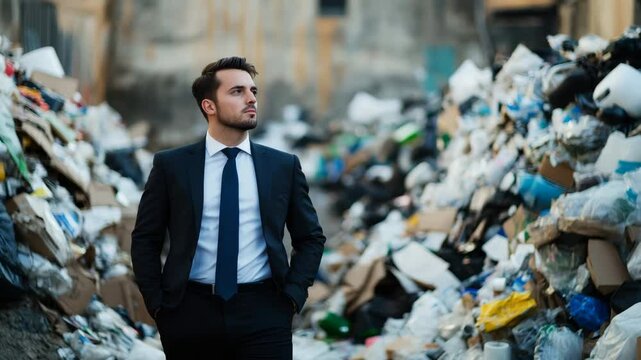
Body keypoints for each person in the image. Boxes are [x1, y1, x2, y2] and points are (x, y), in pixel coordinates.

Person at [131, 56, 326, 359]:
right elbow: (145, 238)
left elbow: (310, 237)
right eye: (237, 92)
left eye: (253, 91)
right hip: (189, 313)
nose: (251, 99)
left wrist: (292, 297)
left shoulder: (282, 167)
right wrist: (158, 304)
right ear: (209, 106)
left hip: (264, 312)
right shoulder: (172, 166)